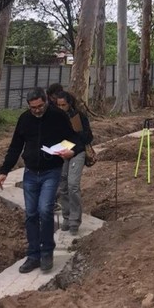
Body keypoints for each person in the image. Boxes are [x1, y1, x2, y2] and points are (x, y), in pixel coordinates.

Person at [0, 87, 83, 273]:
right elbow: (15, 146)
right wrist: (4, 171)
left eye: (40, 106)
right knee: (31, 214)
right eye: (33, 107)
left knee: (44, 210)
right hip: (30, 172)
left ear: (46, 101)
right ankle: (33, 255)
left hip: (51, 171)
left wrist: (70, 150)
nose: (37, 110)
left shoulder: (58, 116)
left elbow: (74, 137)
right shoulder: (25, 119)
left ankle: (46, 253)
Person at [56, 90, 93, 235]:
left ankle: (74, 220)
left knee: (73, 185)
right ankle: (66, 216)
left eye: (63, 105)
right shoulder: (54, 117)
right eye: (58, 105)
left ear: (69, 104)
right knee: (63, 185)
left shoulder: (78, 117)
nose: (60, 108)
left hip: (77, 152)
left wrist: (74, 146)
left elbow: (87, 137)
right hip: (62, 152)